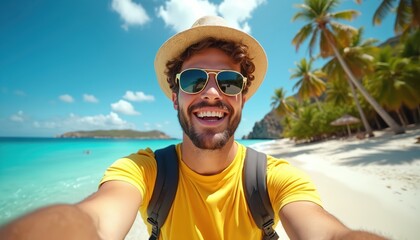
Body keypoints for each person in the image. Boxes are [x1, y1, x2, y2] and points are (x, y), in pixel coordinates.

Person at [0, 16, 386, 240]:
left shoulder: (274, 178)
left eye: (230, 82)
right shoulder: (143, 171)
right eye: (194, 80)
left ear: (243, 99)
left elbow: (327, 233)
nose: (213, 93)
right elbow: (96, 220)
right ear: (175, 97)